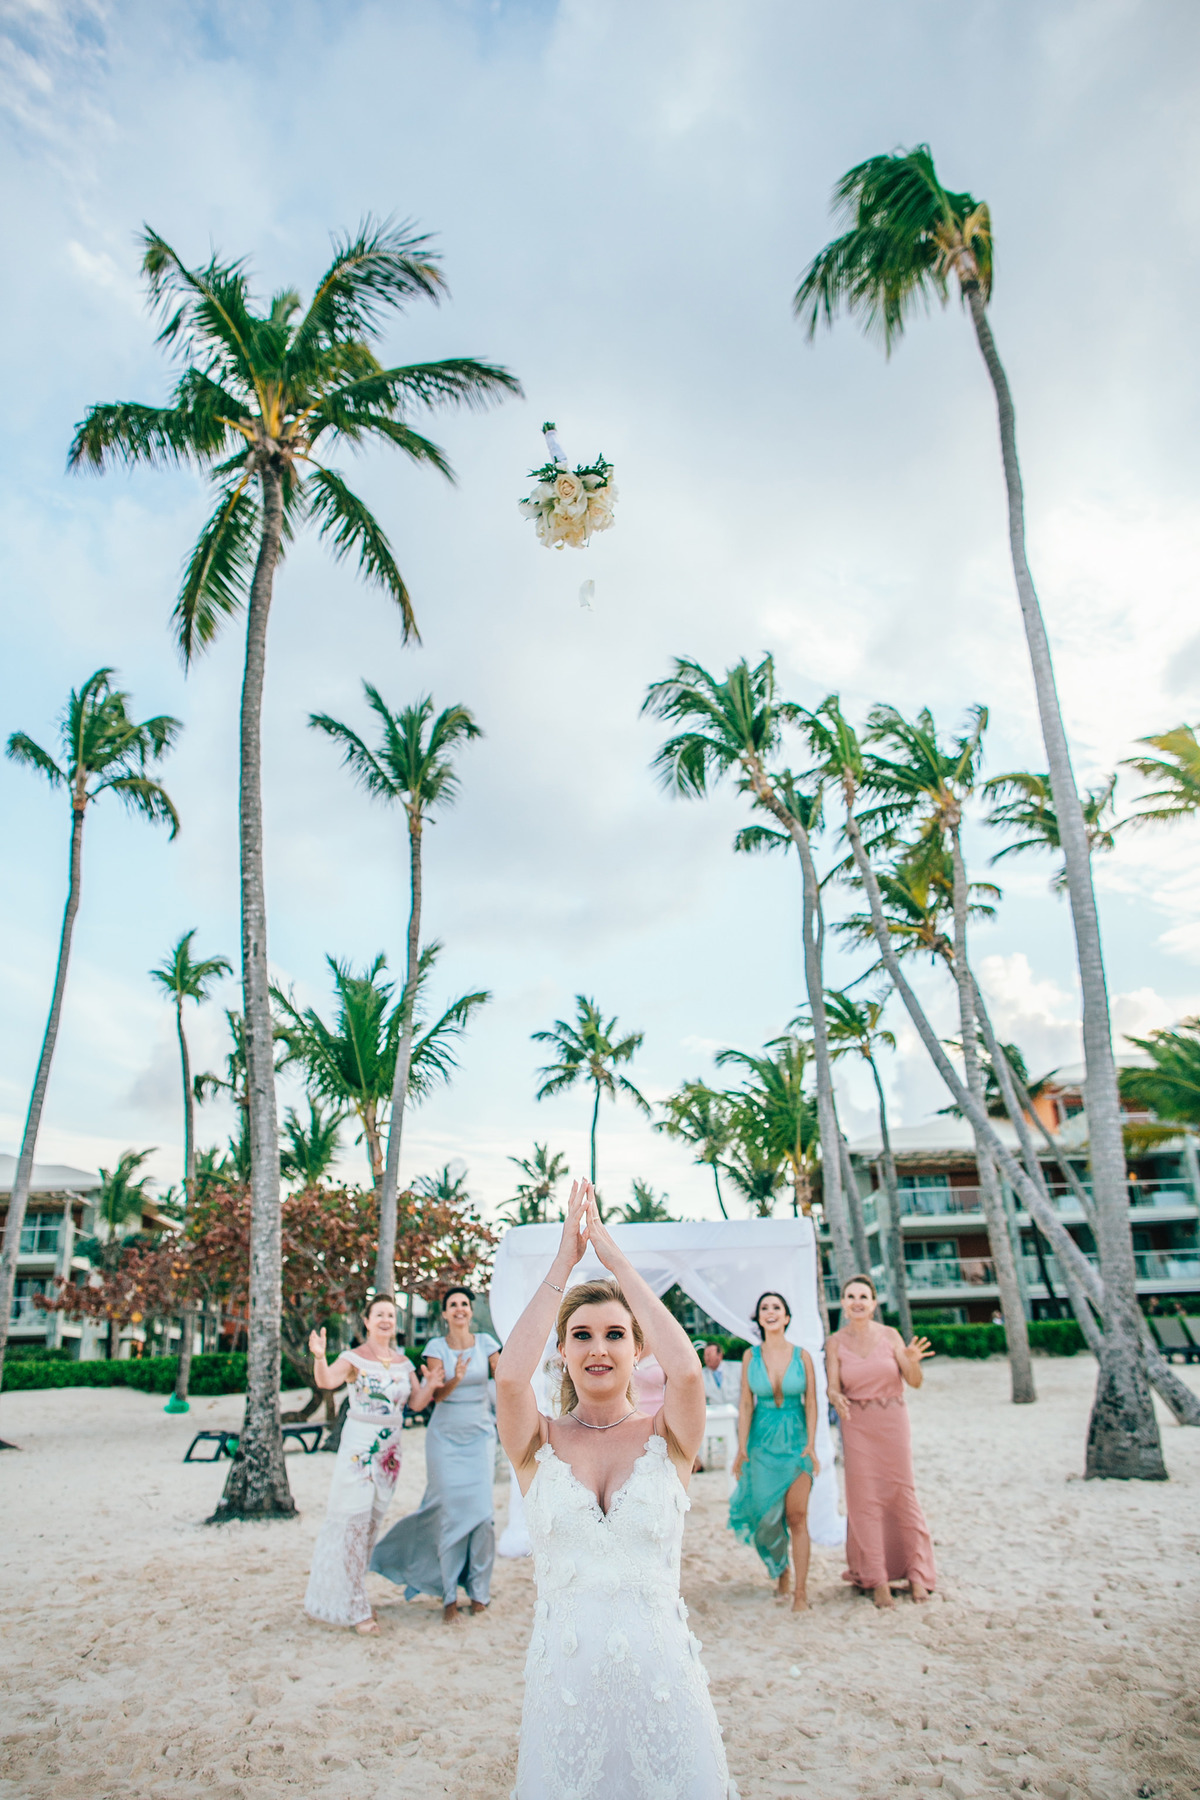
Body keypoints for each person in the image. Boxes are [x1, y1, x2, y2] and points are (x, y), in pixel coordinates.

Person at [496, 1178, 739, 1800]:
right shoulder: (537, 1443)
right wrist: (564, 1262)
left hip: (663, 1682)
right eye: (581, 1334)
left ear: (638, 1349)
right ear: (562, 1350)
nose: (598, 1348)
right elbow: (510, 1379)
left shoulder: (669, 1438)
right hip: (565, 1688)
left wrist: (614, 1259)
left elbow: (687, 1372)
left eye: (614, 1334)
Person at [304, 1294, 438, 1633]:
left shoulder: (404, 1363)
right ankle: (356, 1605)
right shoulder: (353, 1358)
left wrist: (432, 1384)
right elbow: (326, 1381)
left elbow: (416, 1403)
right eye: (379, 1314)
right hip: (359, 1451)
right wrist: (319, 1357)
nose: (385, 1320)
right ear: (366, 1321)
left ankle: (352, 1591)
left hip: (390, 1455)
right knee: (354, 1524)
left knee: (370, 1527)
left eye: (390, 1315)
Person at [370, 1285, 501, 1622]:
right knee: (448, 1514)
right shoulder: (436, 1348)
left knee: (483, 1515)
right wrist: (456, 1377)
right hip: (445, 1438)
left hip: (480, 1436)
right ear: (444, 1313)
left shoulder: (487, 1343)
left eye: (464, 1303)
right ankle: (448, 1595)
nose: (459, 1308)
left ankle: (479, 1592)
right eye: (452, 1304)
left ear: (470, 1310)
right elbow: (436, 1396)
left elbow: (506, 1379)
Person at [826, 1273, 937, 1610]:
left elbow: (914, 1381)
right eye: (851, 1296)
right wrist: (835, 1397)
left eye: (864, 1296)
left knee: (902, 1493)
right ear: (843, 1304)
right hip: (856, 1425)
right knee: (865, 1499)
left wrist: (912, 1361)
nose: (857, 1302)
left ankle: (917, 1573)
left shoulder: (890, 1336)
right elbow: (833, 1387)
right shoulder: (834, 1342)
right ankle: (877, 1579)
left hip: (892, 1422)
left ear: (874, 1303)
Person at [728, 1292, 819, 1612]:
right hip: (762, 1444)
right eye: (764, 1308)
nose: (770, 1311)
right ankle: (781, 1567)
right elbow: (745, 1403)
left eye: (776, 1307)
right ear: (759, 1318)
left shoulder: (803, 1356)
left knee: (797, 1517)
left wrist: (811, 1444)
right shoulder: (750, 1357)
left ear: (787, 1317)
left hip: (796, 1444)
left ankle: (800, 1592)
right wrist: (741, 1448)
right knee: (766, 1519)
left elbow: (812, 1403)